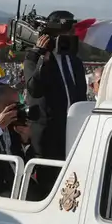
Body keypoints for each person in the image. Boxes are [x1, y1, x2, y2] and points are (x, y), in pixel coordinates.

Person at [23, 10, 88, 162]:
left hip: (73, 130)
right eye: (68, 30)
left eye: (72, 30)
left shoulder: (75, 61)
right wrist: (42, 58)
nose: (72, 34)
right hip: (47, 138)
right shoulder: (33, 58)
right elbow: (34, 89)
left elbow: (81, 96)